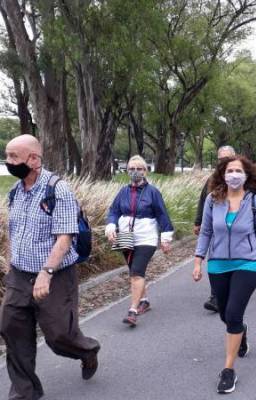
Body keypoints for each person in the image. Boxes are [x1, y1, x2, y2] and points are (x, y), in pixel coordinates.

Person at [0, 135, 101, 400]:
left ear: (33, 159)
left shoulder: (58, 190)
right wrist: (11, 265)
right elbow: (15, 232)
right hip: (20, 276)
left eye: (14, 157)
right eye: (7, 156)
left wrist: (46, 272)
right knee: (12, 329)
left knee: (59, 335)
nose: (8, 162)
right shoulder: (15, 192)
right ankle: (25, 392)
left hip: (55, 275)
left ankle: (87, 351)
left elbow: (65, 238)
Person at [193, 155, 256, 394]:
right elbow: (206, 232)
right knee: (226, 314)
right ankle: (241, 329)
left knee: (232, 312)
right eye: (229, 170)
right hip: (218, 263)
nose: (234, 175)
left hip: (248, 264)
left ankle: (228, 370)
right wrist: (198, 261)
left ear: (246, 175)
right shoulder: (213, 200)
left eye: (238, 171)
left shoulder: (254, 203)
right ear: (222, 174)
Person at [105, 155, 174, 326]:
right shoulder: (123, 191)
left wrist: (165, 238)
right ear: (127, 170)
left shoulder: (153, 192)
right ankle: (144, 300)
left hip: (146, 237)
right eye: (132, 169)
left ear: (145, 171)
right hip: (125, 236)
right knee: (134, 271)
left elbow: (162, 215)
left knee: (136, 272)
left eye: (139, 169)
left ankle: (132, 310)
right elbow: (113, 211)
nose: (135, 172)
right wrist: (111, 225)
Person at [193, 145, 236, 312]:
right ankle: (216, 296)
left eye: (228, 158)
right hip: (215, 227)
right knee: (215, 257)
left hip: (236, 228)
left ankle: (234, 285)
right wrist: (198, 222)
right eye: (221, 159)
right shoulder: (212, 180)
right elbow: (203, 201)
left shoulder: (241, 178)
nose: (224, 162)